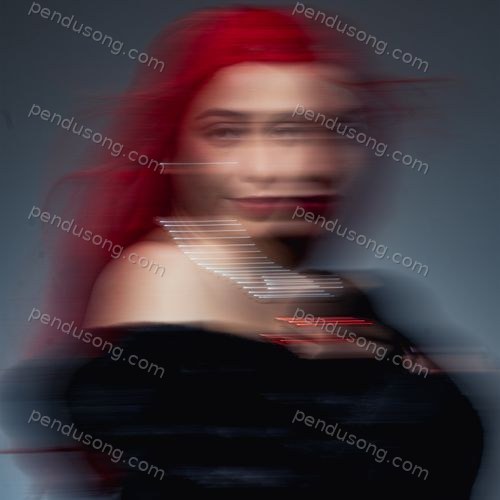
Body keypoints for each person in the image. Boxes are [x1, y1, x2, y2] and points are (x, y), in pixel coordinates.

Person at [1, 6, 484, 498]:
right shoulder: (169, 280)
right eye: (228, 132)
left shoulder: (330, 298)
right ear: (174, 148)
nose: (279, 167)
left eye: (321, 129)